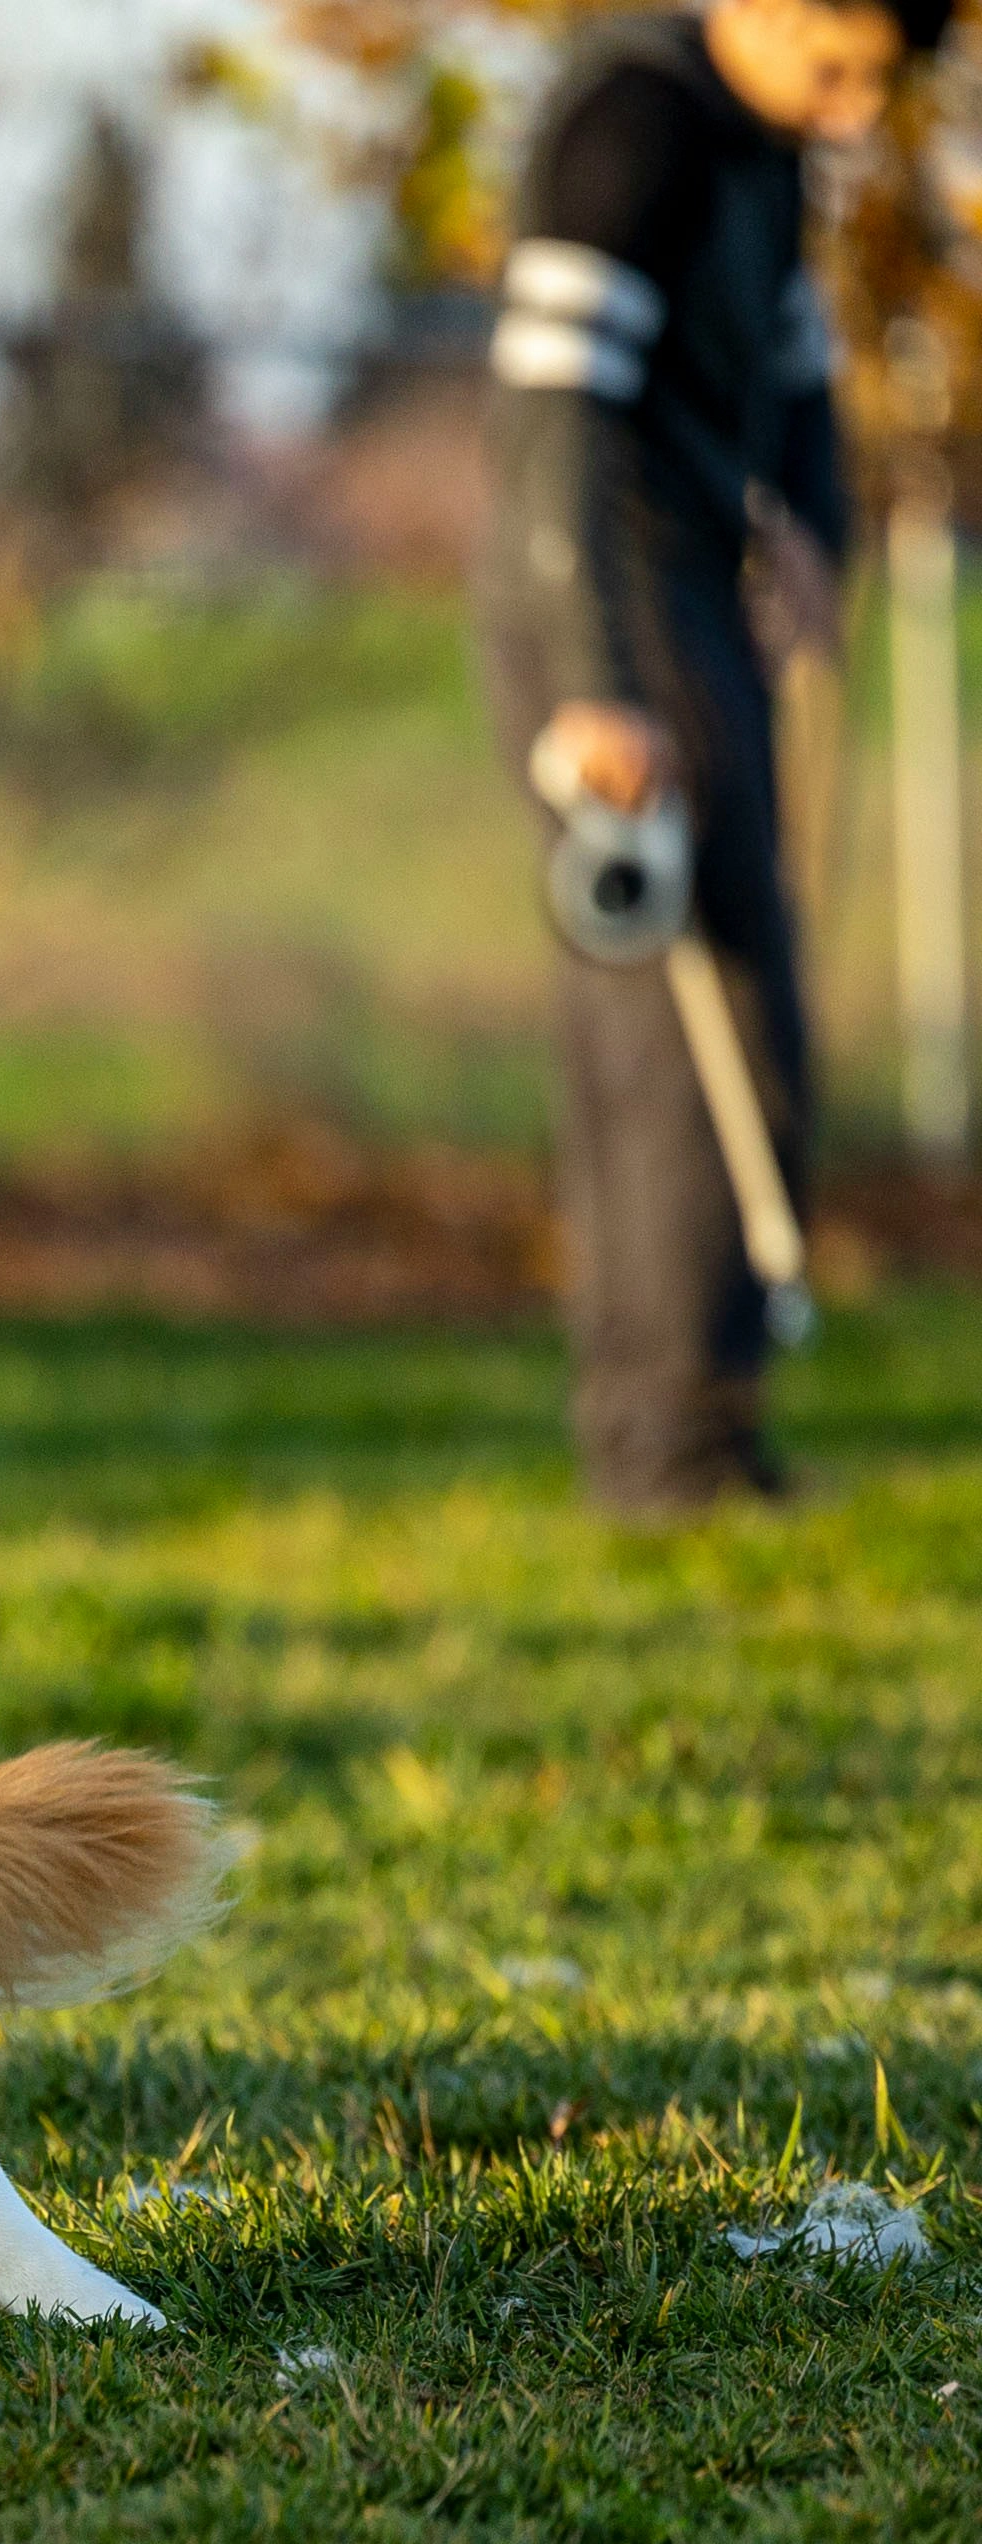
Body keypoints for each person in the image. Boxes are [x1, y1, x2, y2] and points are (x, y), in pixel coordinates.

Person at [476, 0, 948, 1515]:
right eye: (845, 63)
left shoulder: (761, 146)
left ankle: (702, 1419)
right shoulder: (636, 127)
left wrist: (810, 529)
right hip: (605, 604)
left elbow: (797, 364)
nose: (859, 109)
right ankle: (665, 1447)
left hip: (692, 599)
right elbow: (555, 418)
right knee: (672, 1034)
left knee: (741, 1007)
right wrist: (600, 689)